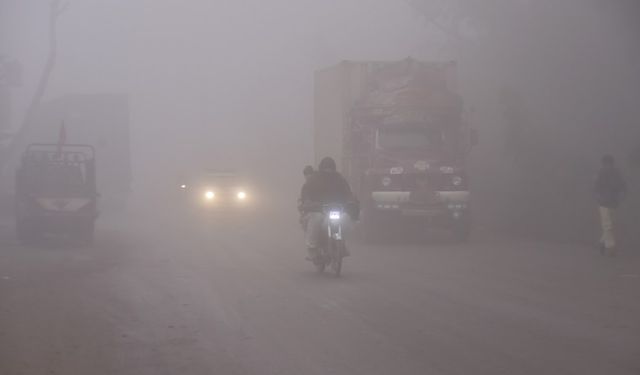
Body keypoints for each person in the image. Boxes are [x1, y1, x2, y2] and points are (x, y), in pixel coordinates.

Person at [301, 157, 356, 261]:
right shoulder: (314, 179)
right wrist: (309, 202)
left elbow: (348, 192)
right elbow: (306, 193)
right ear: (322, 168)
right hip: (319, 210)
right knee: (316, 219)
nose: (328, 171)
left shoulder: (339, 179)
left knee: (345, 219)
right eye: (326, 168)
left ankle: (342, 243)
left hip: (336, 209)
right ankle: (312, 249)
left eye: (330, 168)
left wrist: (351, 201)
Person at [594, 154, 627, 256]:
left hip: (613, 203)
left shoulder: (617, 173)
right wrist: (598, 196)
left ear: (612, 164)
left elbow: (622, 186)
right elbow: (596, 187)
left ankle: (602, 243)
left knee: (610, 225)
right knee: (607, 225)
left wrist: (622, 195)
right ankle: (610, 247)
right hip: (603, 203)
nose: (607, 166)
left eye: (609, 164)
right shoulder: (600, 173)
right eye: (605, 164)